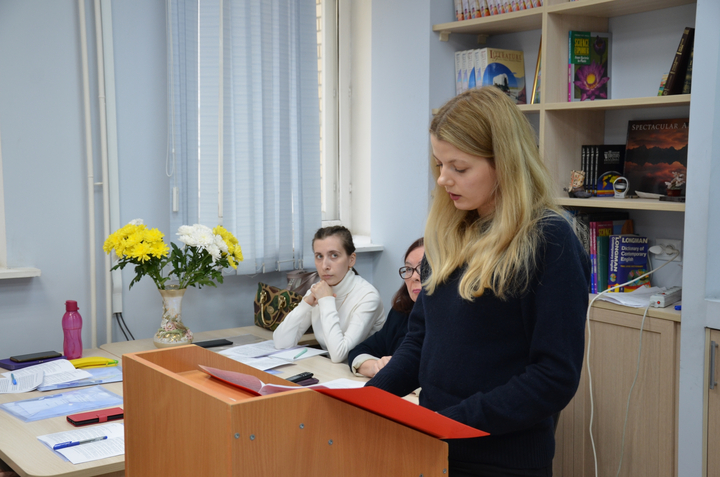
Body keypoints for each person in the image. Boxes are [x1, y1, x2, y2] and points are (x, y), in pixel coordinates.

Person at [366, 87, 591, 477]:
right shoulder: (448, 233)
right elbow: (420, 339)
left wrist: (452, 422)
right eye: (439, 164)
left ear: (504, 163)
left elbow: (553, 376)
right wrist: (371, 400)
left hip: (500, 460)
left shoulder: (549, 240)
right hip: (436, 444)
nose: (443, 179)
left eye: (459, 167)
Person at [273, 226, 385, 363]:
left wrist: (326, 301)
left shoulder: (368, 297)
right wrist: (305, 305)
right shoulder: (318, 290)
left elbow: (340, 355)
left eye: (334, 255)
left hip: (361, 372)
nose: (324, 265)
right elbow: (281, 344)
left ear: (351, 259)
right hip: (330, 370)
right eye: (319, 256)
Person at [348, 238, 424, 378]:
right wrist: (375, 366)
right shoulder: (400, 313)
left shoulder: (451, 322)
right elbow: (359, 351)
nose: (414, 277)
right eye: (409, 269)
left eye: (423, 268)